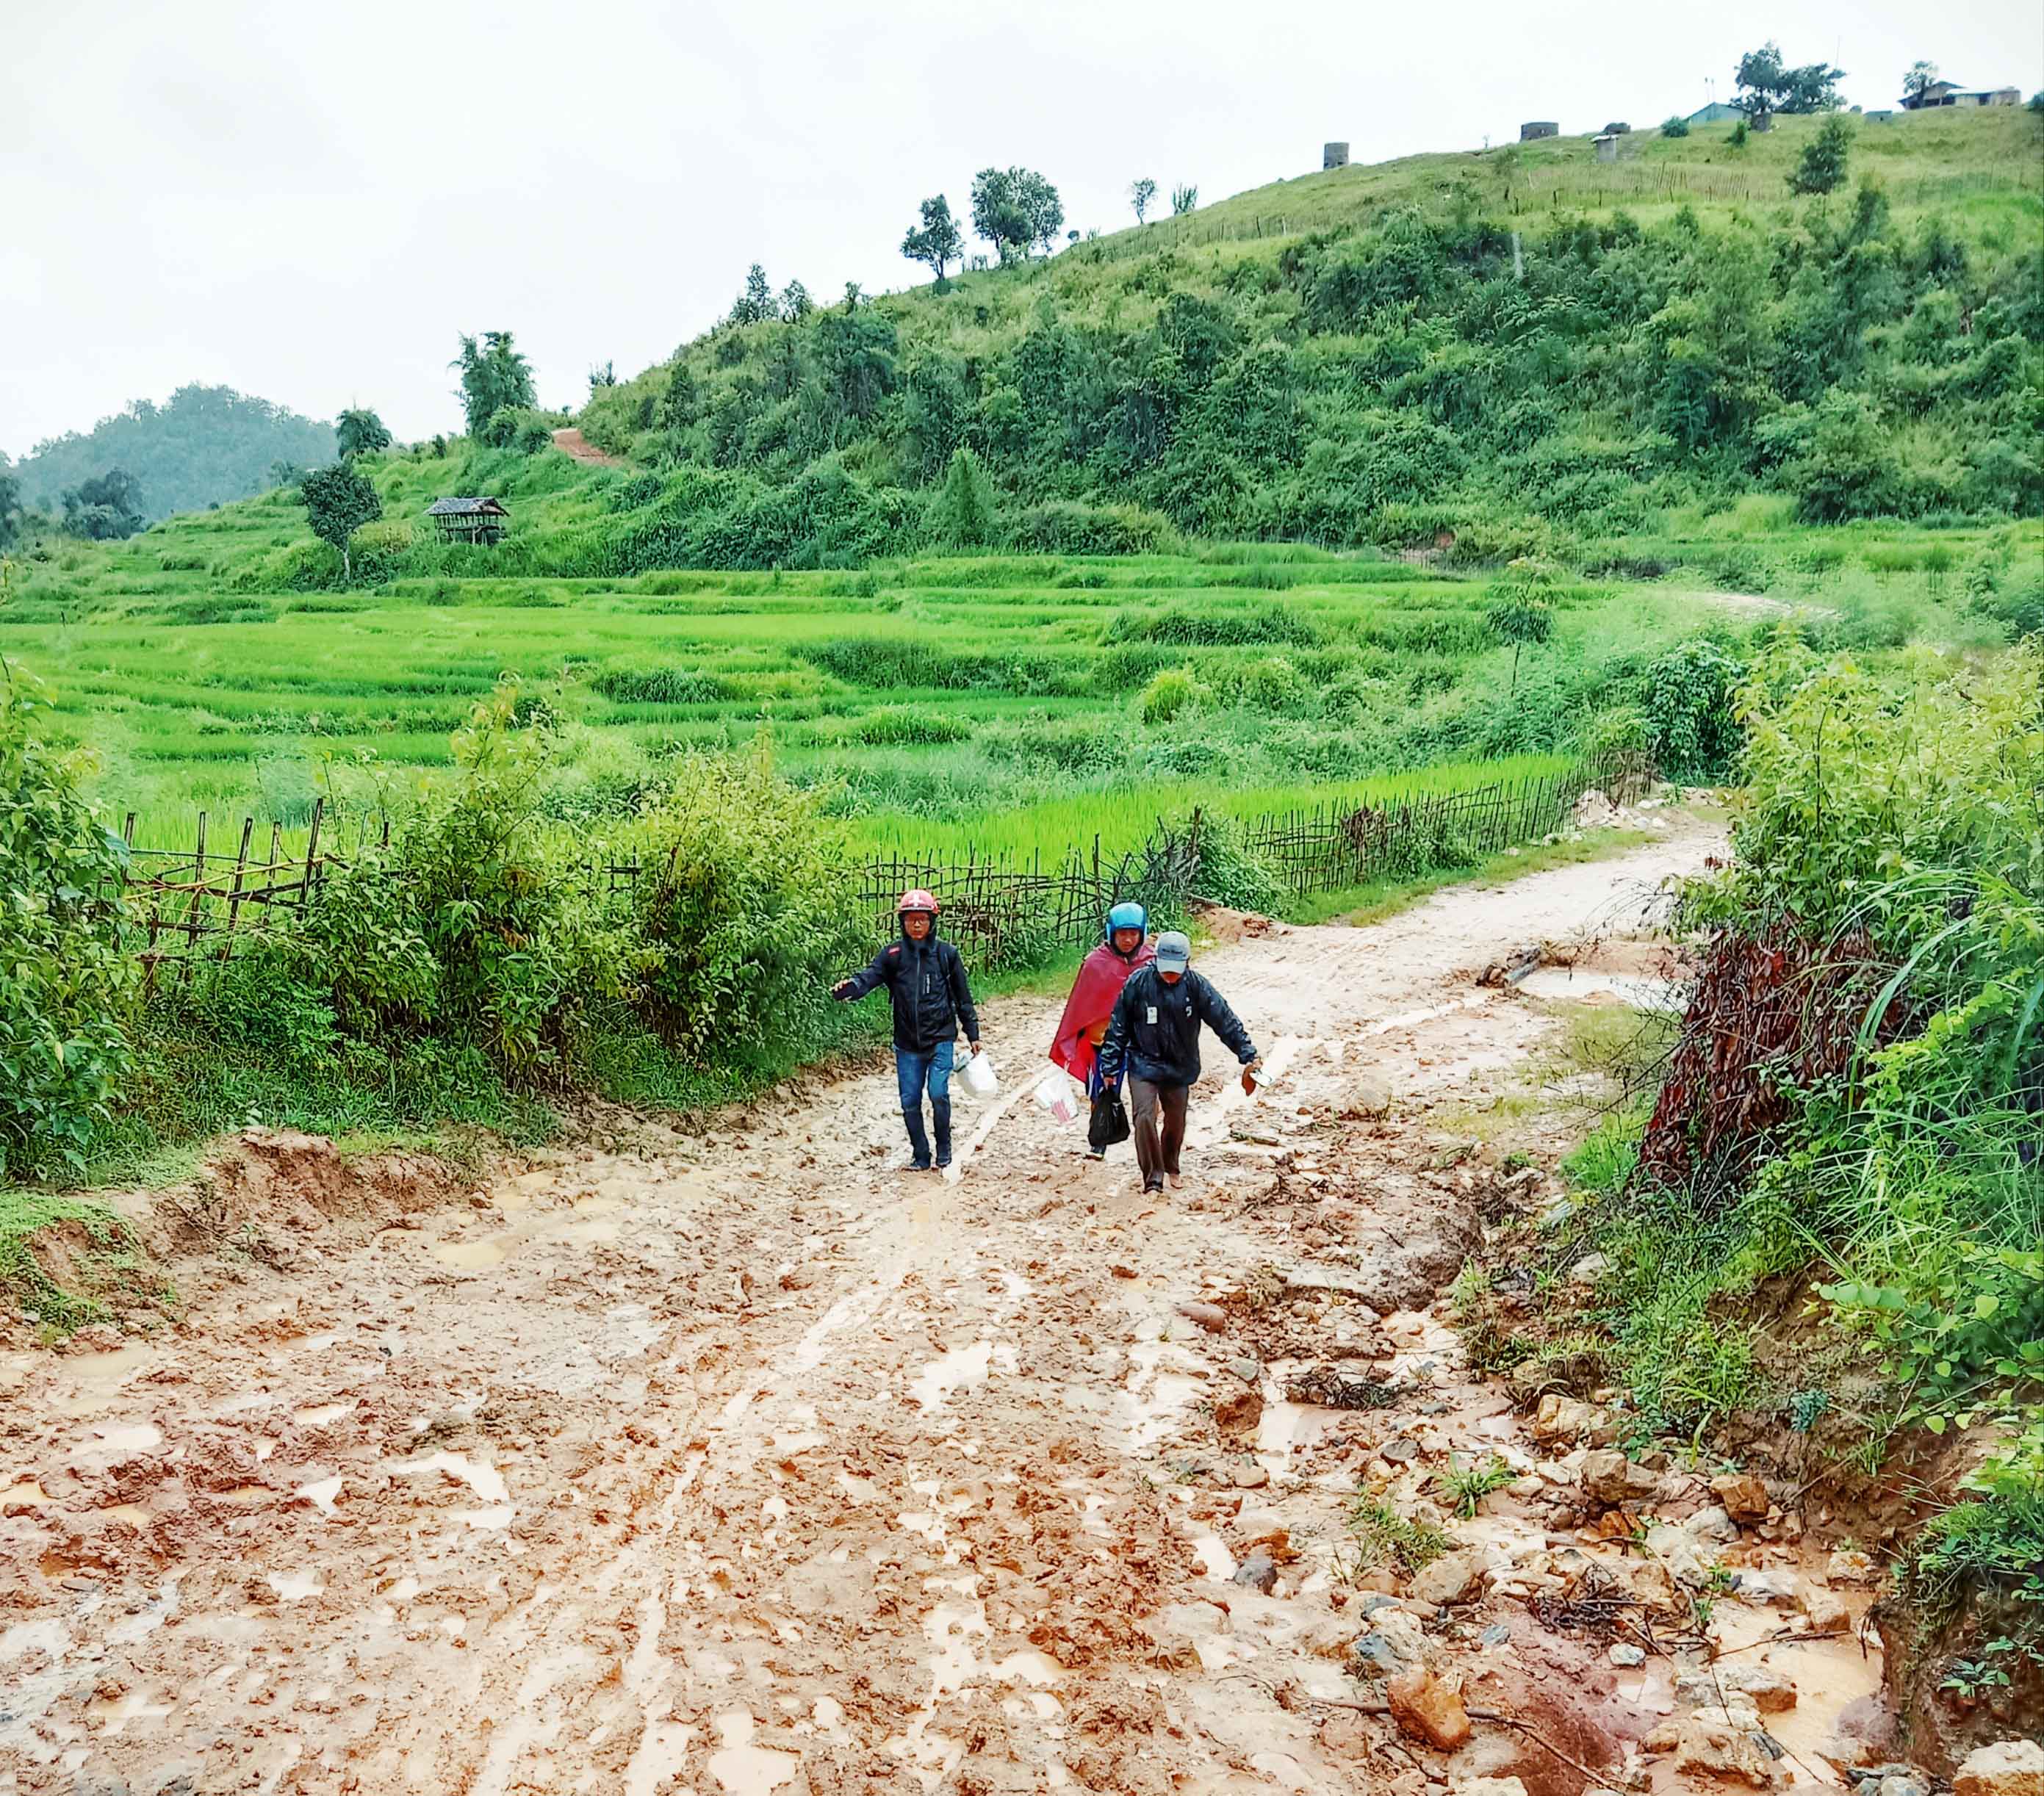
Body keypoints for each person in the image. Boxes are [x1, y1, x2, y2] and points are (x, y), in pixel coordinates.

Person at [1098, 930, 1259, 1196]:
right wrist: (1110, 1066)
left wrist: (1248, 1054)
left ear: (1188, 962)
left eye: (1176, 970)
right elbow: (1119, 1026)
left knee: (1176, 1121)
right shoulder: (1138, 984)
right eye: (1165, 969)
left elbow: (1224, 1020)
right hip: (1143, 1063)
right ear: (1156, 960)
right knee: (1144, 1118)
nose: (1170, 975)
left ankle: (1171, 1163)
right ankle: (1153, 1178)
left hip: (1179, 1065)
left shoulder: (1196, 986)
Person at [832, 889, 982, 1172]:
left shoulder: (947, 955)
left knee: (938, 1093)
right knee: (910, 1101)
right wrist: (850, 988)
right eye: (911, 920)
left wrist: (973, 1033)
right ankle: (921, 1155)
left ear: (931, 922)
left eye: (922, 920)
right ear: (902, 922)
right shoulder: (892, 955)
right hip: (906, 1043)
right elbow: (869, 977)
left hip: (940, 1038)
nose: (916, 925)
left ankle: (944, 1148)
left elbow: (963, 997)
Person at [1049, 901, 1155, 1159]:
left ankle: (1150, 1143)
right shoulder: (1095, 964)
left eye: (1133, 934)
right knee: (1102, 1092)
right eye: (1122, 934)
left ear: (1142, 933)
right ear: (1111, 933)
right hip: (1103, 1043)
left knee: (1149, 1095)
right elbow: (1080, 1005)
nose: (1128, 940)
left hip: (1141, 1042)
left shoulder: (1151, 963)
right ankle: (1099, 1138)